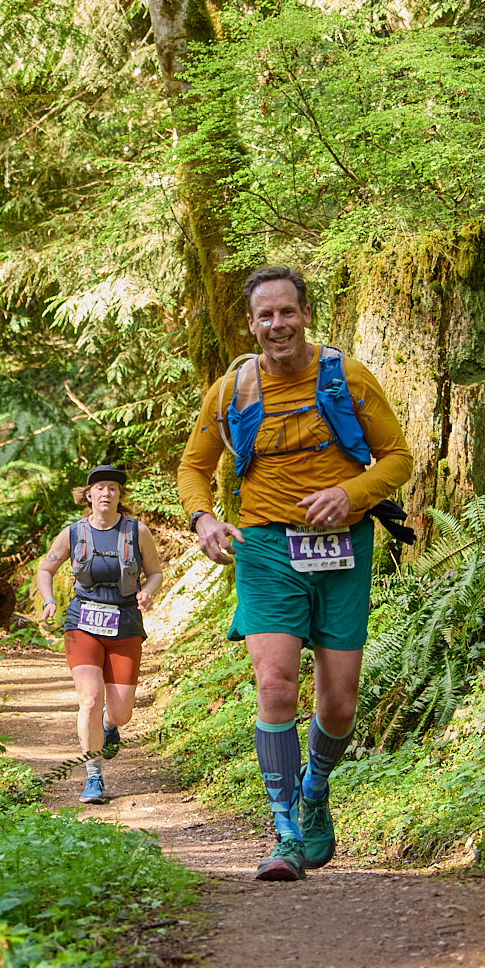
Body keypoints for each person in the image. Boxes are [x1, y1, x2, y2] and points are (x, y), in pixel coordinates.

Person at [177, 266, 413, 880]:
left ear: (306, 314)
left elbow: (398, 458)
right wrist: (203, 518)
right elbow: (194, 467)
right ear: (250, 324)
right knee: (276, 684)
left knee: (338, 703)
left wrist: (351, 493)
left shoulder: (348, 377)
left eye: (287, 312)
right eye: (266, 315)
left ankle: (315, 789)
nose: (277, 324)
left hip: (343, 547)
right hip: (265, 548)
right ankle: (284, 831)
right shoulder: (231, 390)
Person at [34, 466, 165, 805]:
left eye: (113, 488)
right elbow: (46, 569)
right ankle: (93, 776)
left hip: (125, 622)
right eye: (100, 488)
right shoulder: (73, 533)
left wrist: (148, 591)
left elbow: (155, 572)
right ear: (88, 495)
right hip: (82, 622)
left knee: (121, 714)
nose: (106, 493)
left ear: (120, 495)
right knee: (90, 700)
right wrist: (49, 601)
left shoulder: (137, 532)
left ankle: (109, 726)